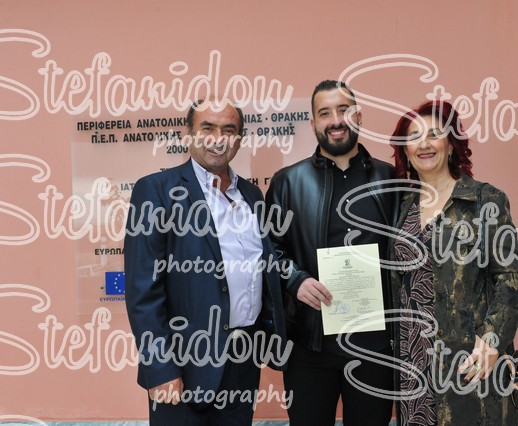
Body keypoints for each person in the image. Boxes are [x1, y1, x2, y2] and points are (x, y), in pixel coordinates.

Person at [124, 100, 287, 426]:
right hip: (184, 367)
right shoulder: (156, 191)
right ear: (189, 134)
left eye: (228, 130)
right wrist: (160, 369)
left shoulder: (251, 196)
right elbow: (144, 292)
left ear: (239, 139)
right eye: (207, 128)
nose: (218, 139)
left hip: (243, 362)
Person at [265, 80, 397, 426]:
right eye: (325, 113)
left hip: (375, 348)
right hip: (310, 347)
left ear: (359, 117)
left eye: (344, 110)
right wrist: (295, 279)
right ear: (313, 123)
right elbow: (267, 250)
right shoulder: (287, 182)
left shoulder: (391, 179)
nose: (336, 120)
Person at [389, 100, 518, 426]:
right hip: (413, 366)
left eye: (434, 134)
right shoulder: (400, 207)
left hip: (471, 363)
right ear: (405, 150)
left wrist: (492, 340)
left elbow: (510, 279)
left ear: (451, 144)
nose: (424, 144)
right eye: (414, 137)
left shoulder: (484, 200)